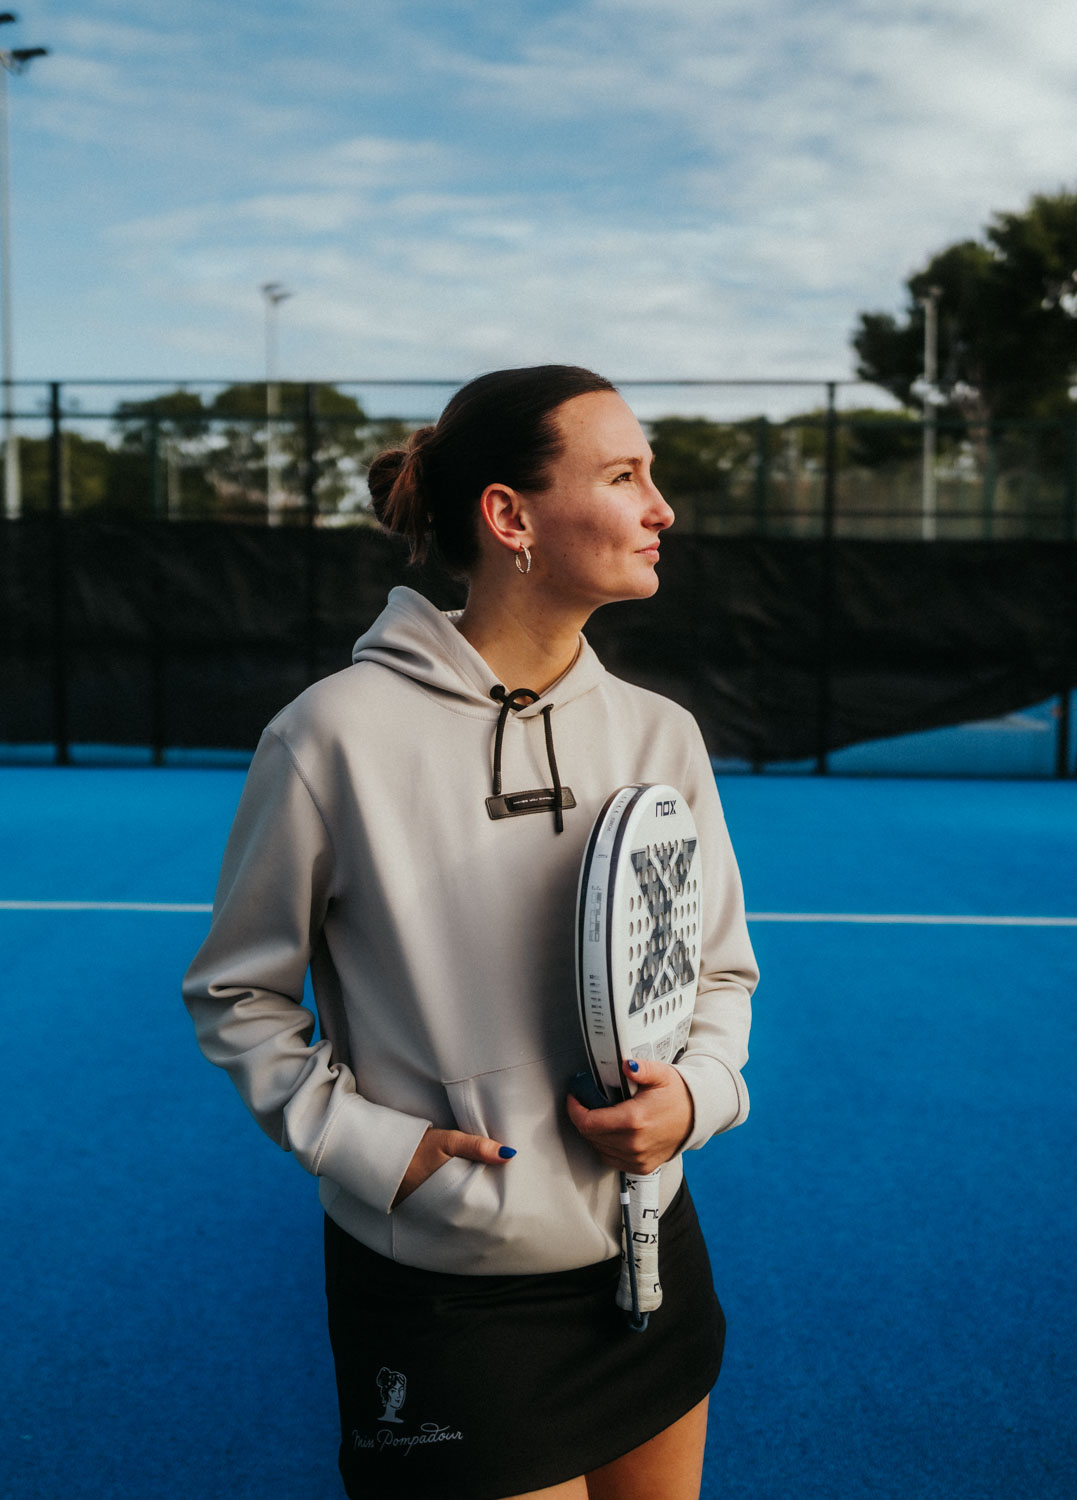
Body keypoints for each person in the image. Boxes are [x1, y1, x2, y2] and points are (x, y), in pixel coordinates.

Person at [182, 365, 758, 1500]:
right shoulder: (330, 738)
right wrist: (372, 1150)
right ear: (510, 517)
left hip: (652, 1257)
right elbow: (236, 994)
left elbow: (716, 972)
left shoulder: (663, 736)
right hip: (444, 1294)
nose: (661, 509)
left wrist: (699, 1097)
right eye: (624, 476)